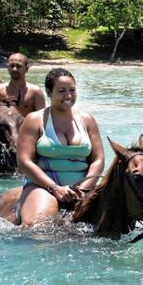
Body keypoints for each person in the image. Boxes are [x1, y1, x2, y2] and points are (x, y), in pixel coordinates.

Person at [16, 68, 104, 226]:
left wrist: (84, 189)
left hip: (83, 188)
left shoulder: (88, 120)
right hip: (42, 186)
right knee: (38, 228)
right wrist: (55, 188)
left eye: (72, 90)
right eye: (62, 90)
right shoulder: (34, 120)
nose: (68, 95)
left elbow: (98, 159)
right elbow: (24, 161)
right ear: (49, 92)